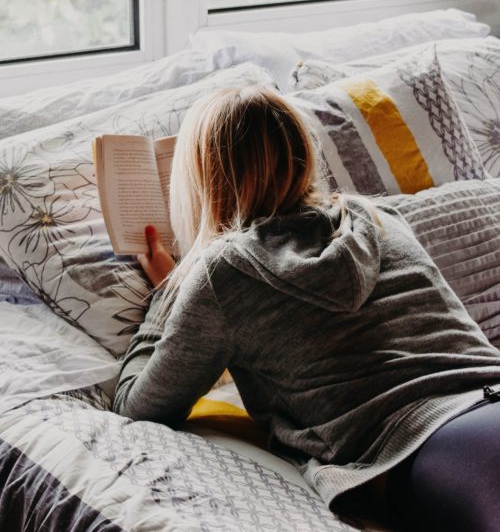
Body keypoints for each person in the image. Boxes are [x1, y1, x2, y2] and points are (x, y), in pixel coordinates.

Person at [113, 86, 500, 532]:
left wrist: (168, 293)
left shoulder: (223, 273)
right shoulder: (376, 220)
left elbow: (138, 407)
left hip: (431, 444)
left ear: (206, 180)